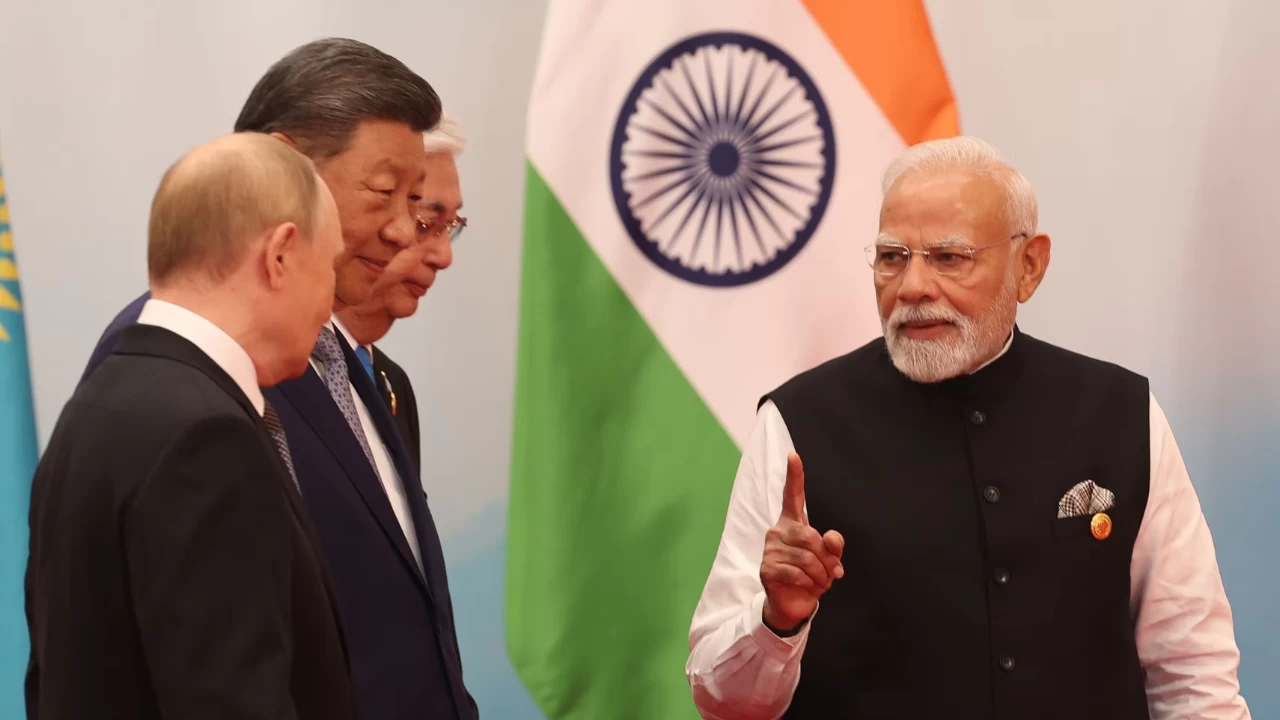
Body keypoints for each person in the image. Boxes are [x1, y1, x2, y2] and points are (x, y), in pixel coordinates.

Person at [686, 136, 1251, 719]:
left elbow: (1193, 672)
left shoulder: (1120, 411)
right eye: (892, 257)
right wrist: (778, 620)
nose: (912, 287)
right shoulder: (797, 424)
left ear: (1028, 266)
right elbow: (721, 700)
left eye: (949, 258)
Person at [77, 39, 476, 720]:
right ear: (283, 165)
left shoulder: (353, 363)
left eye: (420, 202)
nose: (407, 232)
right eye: (386, 193)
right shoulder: (182, 372)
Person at [25, 133, 352, 719]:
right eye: (329, 267)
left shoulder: (96, 405)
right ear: (279, 255)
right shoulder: (206, 438)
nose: (330, 305)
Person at [335, 113, 465, 471]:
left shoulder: (393, 386)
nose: (444, 257)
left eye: (451, 226)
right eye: (426, 222)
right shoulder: (273, 373)